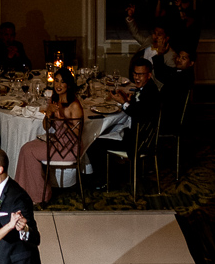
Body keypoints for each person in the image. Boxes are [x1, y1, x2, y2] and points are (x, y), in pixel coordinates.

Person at [13, 69, 83, 204]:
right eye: (56, 81)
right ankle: (25, 192)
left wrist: (62, 119)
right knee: (25, 148)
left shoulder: (74, 105)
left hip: (70, 148)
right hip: (57, 142)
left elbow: (78, 134)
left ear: (68, 84)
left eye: (62, 82)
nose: (58, 85)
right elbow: (46, 126)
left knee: (29, 151)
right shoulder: (54, 100)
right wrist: (48, 114)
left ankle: (40, 196)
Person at [89, 61, 160, 189]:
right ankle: (113, 172)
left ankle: (106, 180)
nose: (136, 77)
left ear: (149, 75)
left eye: (141, 74)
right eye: (135, 73)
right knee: (105, 131)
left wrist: (123, 103)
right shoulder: (147, 87)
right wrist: (126, 99)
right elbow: (139, 107)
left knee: (93, 142)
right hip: (137, 133)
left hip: (139, 141)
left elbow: (139, 114)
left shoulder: (151, 92)